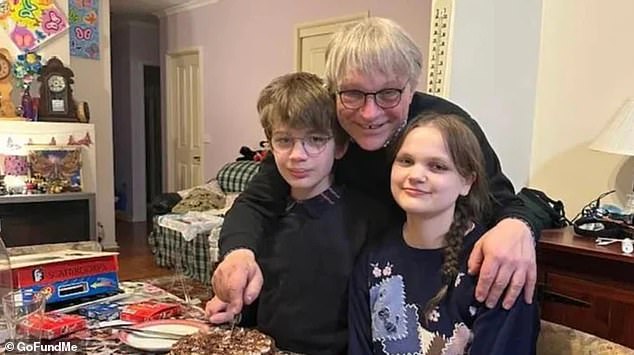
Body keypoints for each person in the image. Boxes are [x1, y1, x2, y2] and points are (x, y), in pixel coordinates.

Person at [211, 17, 539, 324]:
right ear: (334, 91)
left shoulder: (445, 128)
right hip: (362, 292)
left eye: (389, 93)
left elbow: (505, 200)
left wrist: (516, 225)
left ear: (412, 88)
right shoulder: (325, 124)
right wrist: (238, 256)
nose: (369, 113)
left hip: (436, 284)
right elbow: (257, 201)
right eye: (353, 93)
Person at [206, 72, 388, 354]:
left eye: (315, 140)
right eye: (284, 140)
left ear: (339, 146)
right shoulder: (264, 220)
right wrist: (236, 308)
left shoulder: (367, 221)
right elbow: (267, 305)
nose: (297, 155)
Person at [348, 112, 539, 354]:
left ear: (467, 182)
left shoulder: (496, 265)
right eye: (405, 161)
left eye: (437, 166)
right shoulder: (372, 258)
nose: (415, 176)